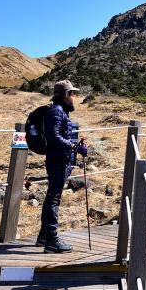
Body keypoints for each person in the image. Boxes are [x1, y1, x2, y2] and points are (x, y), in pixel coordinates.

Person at [37, 79, 87, 252]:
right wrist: (73, 146)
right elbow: (54, 137)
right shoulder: (57, 112)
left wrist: (76, 147)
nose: (74, 97)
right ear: (65, 95)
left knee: (52, 196)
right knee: (54, 198)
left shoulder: (61, 111)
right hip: (58, 160)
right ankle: (52, 239)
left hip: (59, 159)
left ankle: (43, 237)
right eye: (72, 94)